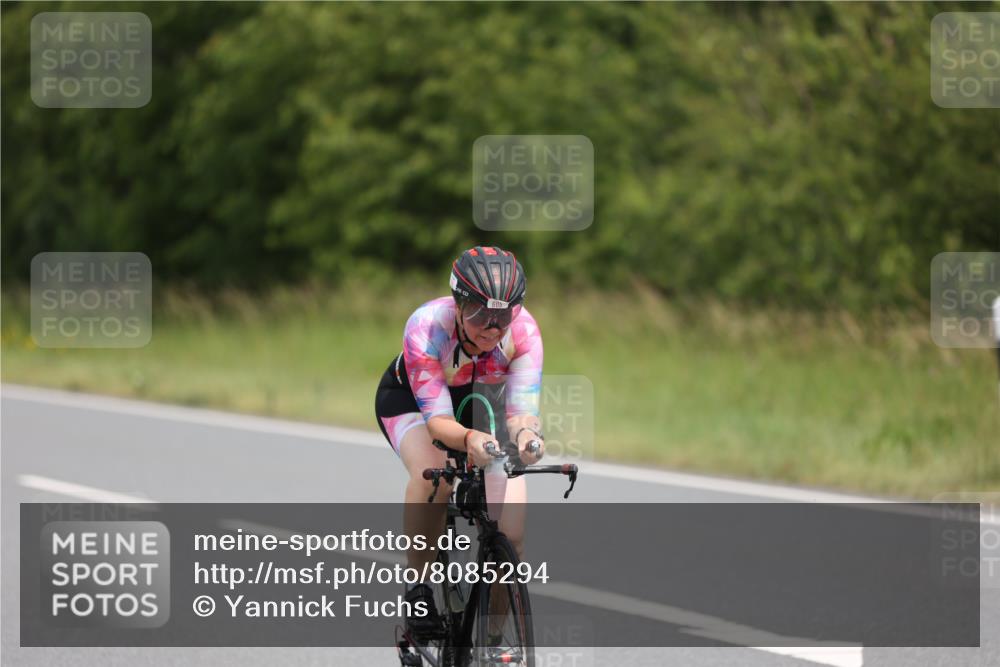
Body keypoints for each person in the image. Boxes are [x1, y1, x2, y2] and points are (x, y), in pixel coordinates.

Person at [374, 245, 545, 639]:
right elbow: (438, 423)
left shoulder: (524, 332)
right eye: (480, 314)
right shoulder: (427, 325)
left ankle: (493, 641)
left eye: (503, 315)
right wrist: (469, 439)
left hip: (484, 403)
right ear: (458, 303)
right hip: (415, 403)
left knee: (512, 536)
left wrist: (526, 436)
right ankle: (418, 589)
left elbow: (520, 413)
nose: (492, 327)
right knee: (434, 474)